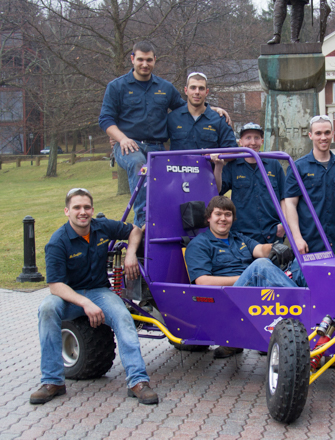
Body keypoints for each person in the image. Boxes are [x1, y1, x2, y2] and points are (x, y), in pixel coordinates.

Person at [31, 188, 158, 405]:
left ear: (92, 210)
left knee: (123, 316)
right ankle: (52, 381)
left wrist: (130, 255)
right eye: (77, 208)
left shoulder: (102, 227)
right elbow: (55, 286)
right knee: (47, 309)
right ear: (66, 211)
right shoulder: (57, 242)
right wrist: (84, 302)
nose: (83, 212)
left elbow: (135, 230)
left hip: (99, 292)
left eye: (87, 207)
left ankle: (137, 381)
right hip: (67, 296)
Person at [185, 196, 298, 358]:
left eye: (228, 214)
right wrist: (248, 275)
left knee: (297, 267)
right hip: (226, 299)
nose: (223, 218)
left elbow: (260, 249)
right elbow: (203, 281)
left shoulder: (239, 238)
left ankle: (311, 316)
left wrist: (275, 247)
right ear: (209, 217)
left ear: (233, 218)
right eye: (218, 214)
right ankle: (304, 311)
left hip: (251, 294)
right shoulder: (199, 244)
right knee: (260, 266)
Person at [99, 41, 184, 227]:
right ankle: (142, 226)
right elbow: (105, 119)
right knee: (139, 164)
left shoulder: (166, 88)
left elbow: (185, 111)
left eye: (148, 60)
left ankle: (166, 229)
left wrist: (213, 110)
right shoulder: (116, 87)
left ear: (155, 60)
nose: (144, 64)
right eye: (140, 59)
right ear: (132, 59)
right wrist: (121, 138)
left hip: (158, 147)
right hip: (128, 146)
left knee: (169, 187)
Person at [284, 115, 335, 260]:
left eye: (327, 132)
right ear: (310, 135)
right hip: (310, 243)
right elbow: (290, 204)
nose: (323, 137)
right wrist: (297, 238)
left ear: (332, 134)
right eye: (318, 133)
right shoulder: (298, 167)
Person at [213, 122, 285, 244]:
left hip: (272, 234)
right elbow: (218, 190)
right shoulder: (233, 166)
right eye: (248, 138)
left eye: (256, 138)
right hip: (242, 236)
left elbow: (285, 198)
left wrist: (284, 225)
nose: (252, 142)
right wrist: (218, 167)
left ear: (262, 141)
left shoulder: (274, 164)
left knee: (274, 263)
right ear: (240, 142)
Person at [168, 72, 237, 151]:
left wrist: (217, 155)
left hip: (209, 164)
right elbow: (157, 141)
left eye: (201, 88)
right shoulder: (172, 118)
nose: (197, 92)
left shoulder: (219, 120)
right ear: (186, 90)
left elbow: (232, 151)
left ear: (207, 92)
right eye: (193, 88)